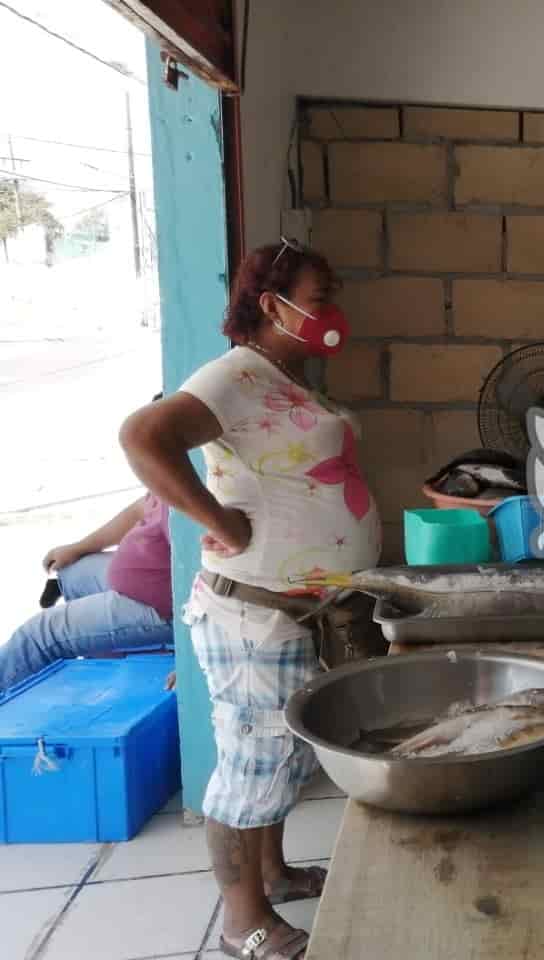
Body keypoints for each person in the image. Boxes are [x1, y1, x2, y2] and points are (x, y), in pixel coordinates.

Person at [120, 237, 381, 960]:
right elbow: (144, 437)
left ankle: (274, 871)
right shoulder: (233, 376)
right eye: (320, 296)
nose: (334, 312)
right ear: (274, 305)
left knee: (282, 756)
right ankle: (244, 921)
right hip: (257, 614)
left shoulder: (285, 375)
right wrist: (216, 520)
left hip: (300, 610)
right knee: (250, 767)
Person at [0, 492, 173, 691]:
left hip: (167, 606)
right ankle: (103, 673)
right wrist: (79, 548)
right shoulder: (174, 470)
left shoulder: (197, 482)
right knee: (72, 572)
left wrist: (188, 663)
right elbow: (141, 508)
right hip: (147, 576)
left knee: (40, 634)